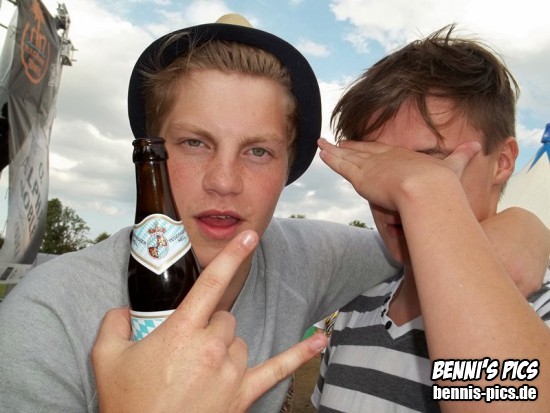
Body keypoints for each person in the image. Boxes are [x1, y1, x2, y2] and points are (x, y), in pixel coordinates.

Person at [0, 14, 546, 413]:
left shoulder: (321, 261)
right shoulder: (46, 320)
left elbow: (499, 389)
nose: (223, 181)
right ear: (153, 154)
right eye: (194, 143)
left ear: (290, 167)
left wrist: (517, 227)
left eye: (258, 151)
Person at [312, 25, 550, 412]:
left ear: (503, 162)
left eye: (428, 166)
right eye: (381, 167)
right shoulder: (355, 310)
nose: (399, 190)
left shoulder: (539, 310)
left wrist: (430, 197)